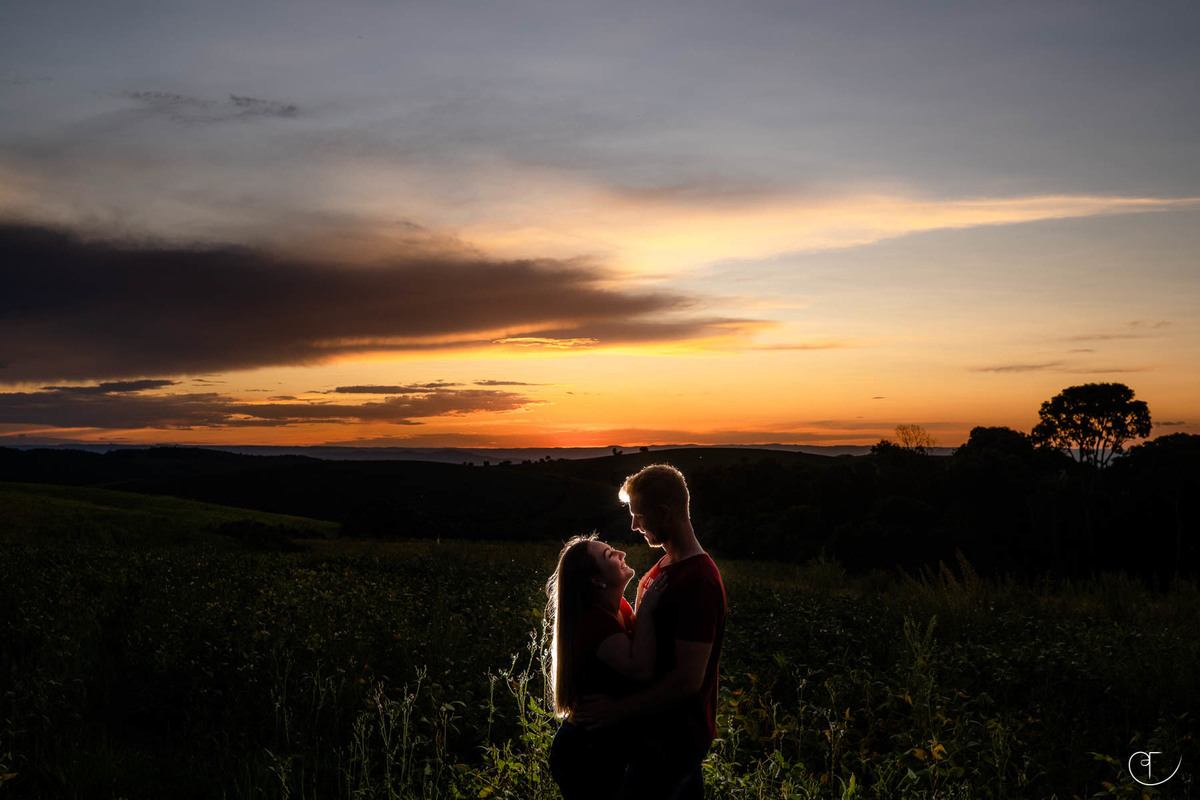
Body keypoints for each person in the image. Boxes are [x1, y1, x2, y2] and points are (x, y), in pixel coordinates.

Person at [574, 464, 726, 800]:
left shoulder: (697, 579)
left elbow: (688, 681)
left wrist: (618, 710)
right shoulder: (662, 567)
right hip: (656, 731)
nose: (633, 525)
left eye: (639, 515)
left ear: (664, 512)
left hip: (676, 738)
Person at [546, 533, 663, 800]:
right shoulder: (594, 624)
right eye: (610, 554)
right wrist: (647, 609)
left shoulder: (619, 607)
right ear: (597, 580)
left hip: (601, 747)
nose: (621, 553)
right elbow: (641, 669)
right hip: (584, 752)